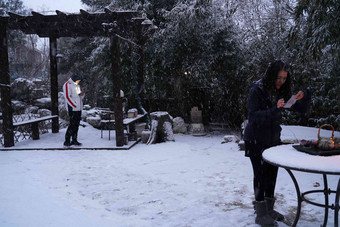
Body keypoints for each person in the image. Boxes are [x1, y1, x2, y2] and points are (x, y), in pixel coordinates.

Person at [243, 60, 311, 226]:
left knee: (272, 174)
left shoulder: (281, 91)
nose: (281, 81)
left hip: (273, 140)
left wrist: (306, 95)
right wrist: (275, 109)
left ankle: (269, 208)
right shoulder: (257, 89)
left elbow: (301, 109)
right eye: (279, 77)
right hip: (256, 140)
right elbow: (253, 117)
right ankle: (260, 213)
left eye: (284, 78)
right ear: (271, 75)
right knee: (260, 175)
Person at [63, 72, 85, 147]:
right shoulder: (67, 85)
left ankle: (74, 139)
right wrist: (74, 105)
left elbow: (78, 97)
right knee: (72, 125)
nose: (79, 82)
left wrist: (82, 95)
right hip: (72, 109)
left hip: (78, 108)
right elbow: (67, 97)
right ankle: (67, 140)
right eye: (78, 80)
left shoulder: (76, 85)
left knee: (76, 125)